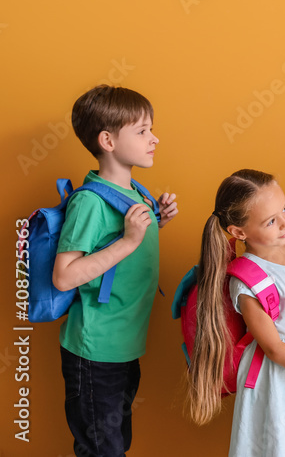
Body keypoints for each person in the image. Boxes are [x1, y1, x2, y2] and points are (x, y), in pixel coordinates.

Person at [52, 84, 179, 456]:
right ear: (107, 140)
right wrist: (128, 240)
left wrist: (156, 220)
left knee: (116, 444)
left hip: (124, 346)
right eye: (141, 131)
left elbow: (122, 248)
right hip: (95, 352)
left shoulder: (136, 191)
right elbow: (63, 276)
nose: (154, 138)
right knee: (102, 449)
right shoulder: (88, 203)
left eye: (151, 129)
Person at [185, 169, 285, 457]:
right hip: (276, 382)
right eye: (271, 221)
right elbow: (273, 348)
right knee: (281, 447)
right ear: (239, 232)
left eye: (284, 208)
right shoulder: (247, 278)